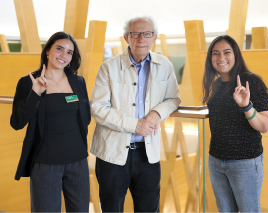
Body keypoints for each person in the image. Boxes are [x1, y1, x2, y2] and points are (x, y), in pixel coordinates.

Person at [90, 14, 181, 212]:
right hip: (111, 154)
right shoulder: (109, 67)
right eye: (136, 34)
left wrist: (157, 113)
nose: (141, 39)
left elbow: (173, 99)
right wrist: (136, 125)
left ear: (154, 37)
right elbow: (98, 107)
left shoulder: (164, 65)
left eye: (147, 34)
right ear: (126, 38)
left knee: (149, 209)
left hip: (148, 154)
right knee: (111, 208)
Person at [10, 31, 91, 212]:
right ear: (47, 51)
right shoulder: (28, 82)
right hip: (45, 162)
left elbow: (85, 118)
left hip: (78, 161)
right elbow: (17, 122)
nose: (63, 56)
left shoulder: (78, 82)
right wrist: (35, 94)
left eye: (69, 52)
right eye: (59, 49)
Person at [202, 35, 268, 212]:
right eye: (215, 53)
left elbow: (264, 126)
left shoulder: (252, 82)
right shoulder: (216, 84)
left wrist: (246, 105)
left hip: (245, 162)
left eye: (227, 52)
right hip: (216, 160)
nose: (221, 58)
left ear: (236, 55)